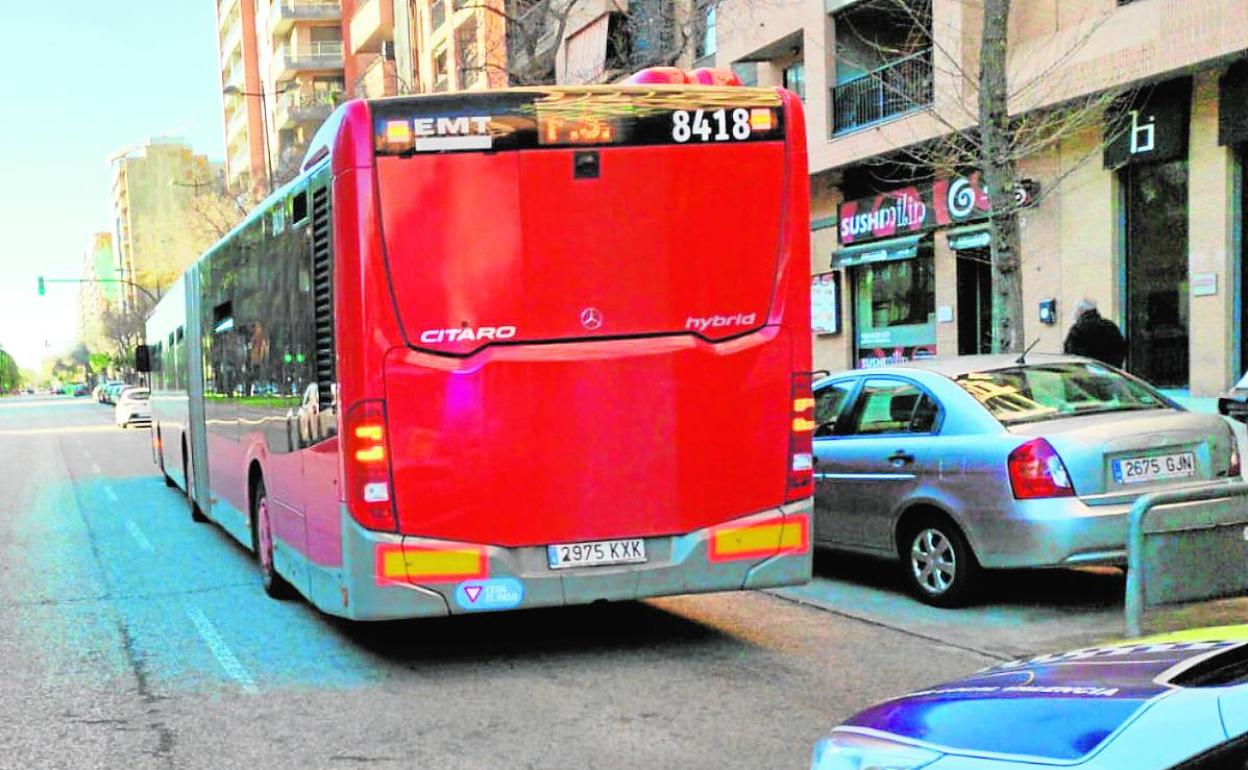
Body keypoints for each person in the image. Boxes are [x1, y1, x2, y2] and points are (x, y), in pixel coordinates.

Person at [1063, 298, 1126, 368]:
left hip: (1087, 374)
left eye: (1076, 310)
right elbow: (1121, 350)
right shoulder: (1111, 326)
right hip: (1110, 374)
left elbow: (1071, 354)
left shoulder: (1078, 329)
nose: (1074, 313)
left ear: (1081, 311)